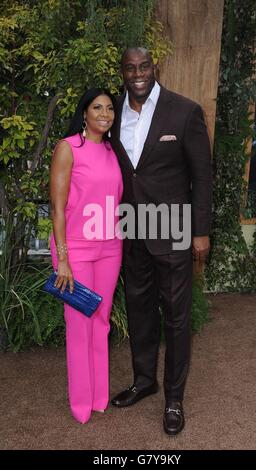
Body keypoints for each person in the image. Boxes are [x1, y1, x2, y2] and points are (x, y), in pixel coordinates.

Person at [110, 47, 212, 435]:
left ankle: (174, 398)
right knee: (138, 312)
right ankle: (144, 381)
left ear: (156, 68)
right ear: (123, 72)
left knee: (176, 317)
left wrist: (200, 231)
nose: (138, 73)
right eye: (130, 67)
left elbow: (202, 176)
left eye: (144, 66)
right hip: (132, 231)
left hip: (173, 231)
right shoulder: (112, 111)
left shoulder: (184, 111)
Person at [49, 88, 123, 424]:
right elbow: (57, 208)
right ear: (85, 113)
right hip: (74, 250)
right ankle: (81, 403)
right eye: (97, 107)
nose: (105, 113)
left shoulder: (111, 150)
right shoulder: (68, 148)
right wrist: (62, 258)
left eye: (109, 108)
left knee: (100, 323)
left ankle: (98, 396)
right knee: (79, 324)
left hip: (109, 248)